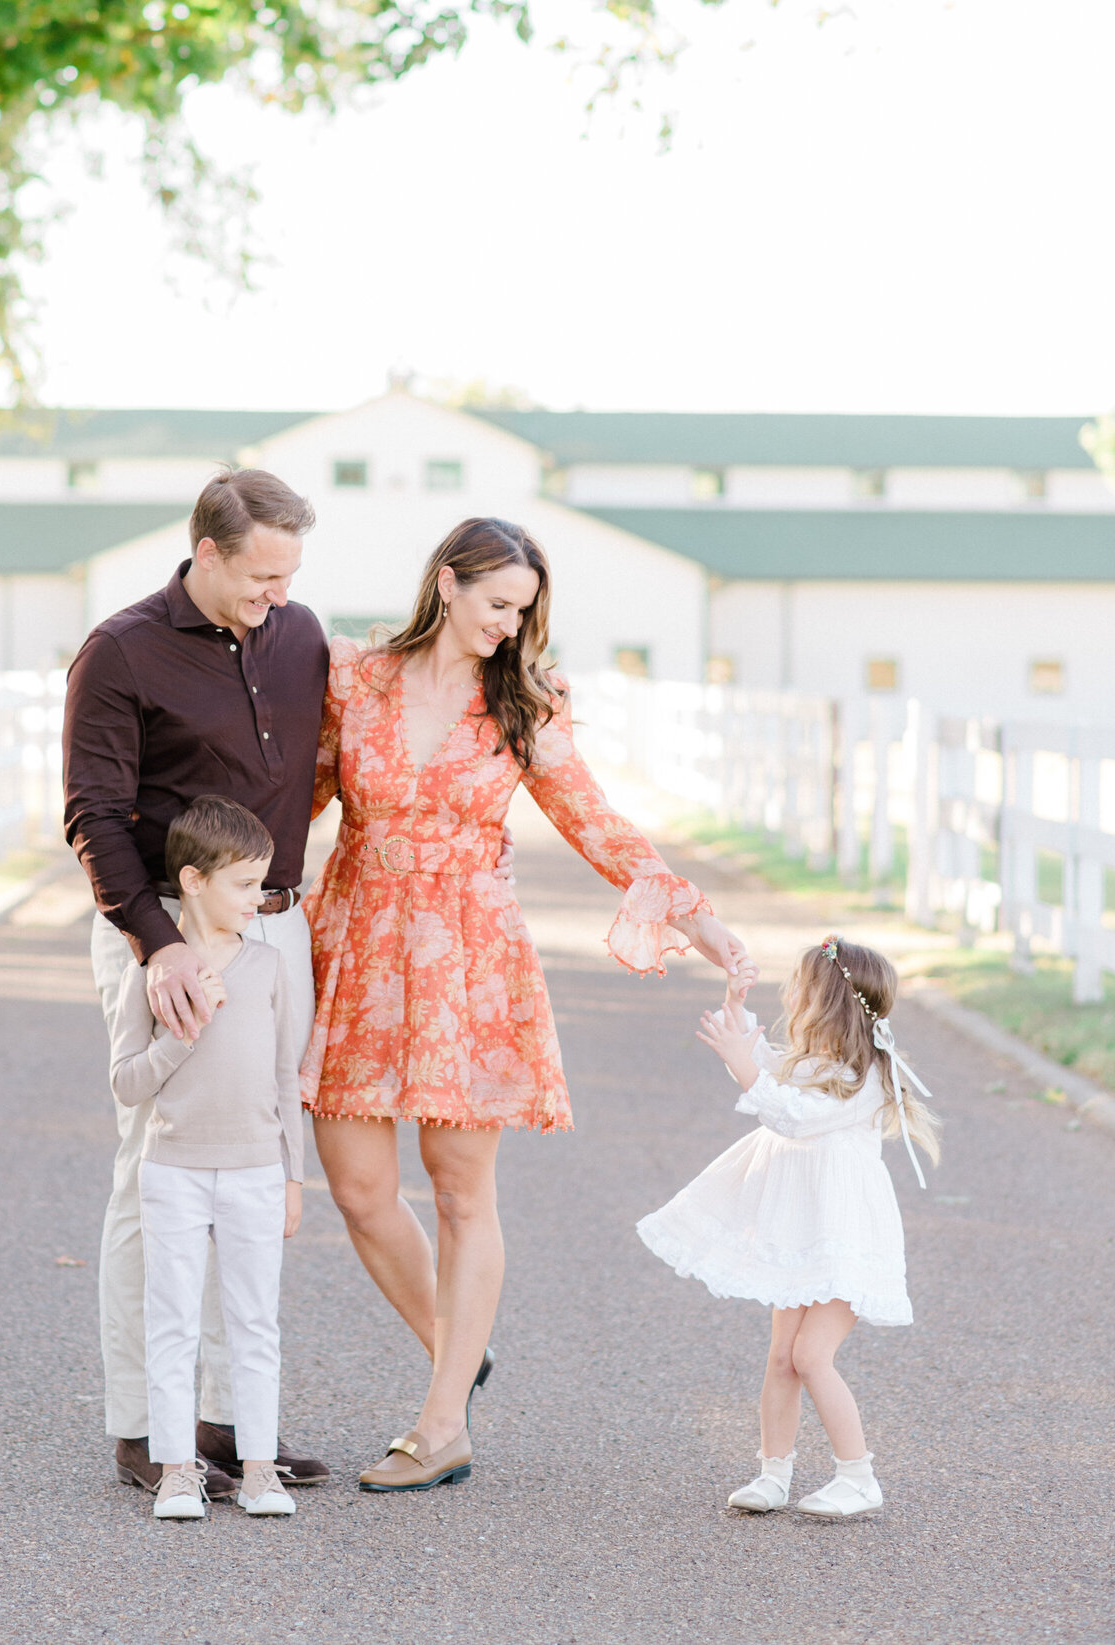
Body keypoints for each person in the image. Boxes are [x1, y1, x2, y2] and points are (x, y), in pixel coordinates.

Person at [301, 515, 757, 1492]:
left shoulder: (522, 702)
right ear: (446, 584)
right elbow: (289, 798)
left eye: (524, 611)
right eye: (498, 604)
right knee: (358, 1190)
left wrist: (698, 922)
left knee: (461, 1192)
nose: (510, 626)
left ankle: (439, 1425)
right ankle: (455, 1349)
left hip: (469, 957)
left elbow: (596, 820)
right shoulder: (354, 680)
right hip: (357, 948)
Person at [63, 466, 331, 1497]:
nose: (277, 594)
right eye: (261, 574)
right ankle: (143, 1427)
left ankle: (223, 1423)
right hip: (165, 932)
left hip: (275, 928)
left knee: (256, 1154)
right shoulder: (121, 650)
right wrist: (156, 943)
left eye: (290, 575)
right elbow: (92, 810)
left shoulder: (301, 634)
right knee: (156, 1164)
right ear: (206, 551)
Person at [637, 934, 940, 1520]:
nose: (790, 996)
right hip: (802, 1233)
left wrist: (743, 1062)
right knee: (782, 1356)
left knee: (811, 1356)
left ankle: (859, 1477)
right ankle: (773, 1473)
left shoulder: (863, 1075)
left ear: (824, 999)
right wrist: (735, 998)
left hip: (844, 1236)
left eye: (799, 987)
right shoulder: (810, 1062)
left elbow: (791, 1114)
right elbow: (763, 1067)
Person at [110, 796, 306, 1521]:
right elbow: (127, 1082)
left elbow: (286, 1076)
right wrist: (184, 1033)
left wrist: (293, 1174)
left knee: (256, 1320)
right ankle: (176, 1473)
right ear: (193, 880)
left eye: (262, 884)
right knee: (173, 1321)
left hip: (256, 1167)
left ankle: (258, 1469)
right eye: (245, 884)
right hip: (175, 1170)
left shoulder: (269, 965)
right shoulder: (156, 974)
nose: (259, 899)